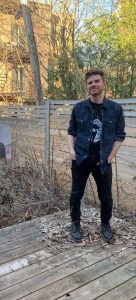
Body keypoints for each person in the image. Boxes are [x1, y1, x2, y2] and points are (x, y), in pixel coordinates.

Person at [67, 70, 126, 243]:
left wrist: (110, 156)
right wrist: (71, 150)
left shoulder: (115, 109)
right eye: (90, 82)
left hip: (103, 162)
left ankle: (105, 224)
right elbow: (71, 131)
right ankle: (75, 223)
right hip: (81, 159)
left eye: (96, 81)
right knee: (76, 193)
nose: (93, 85)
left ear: (103, 83)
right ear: (86, 86)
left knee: (106, 196)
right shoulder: (79, 108)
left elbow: (119, 135)